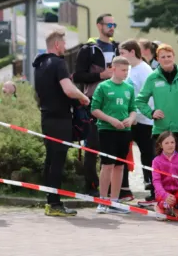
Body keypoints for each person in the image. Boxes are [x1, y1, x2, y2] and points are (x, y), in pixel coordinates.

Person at [34, 30, 90, 217]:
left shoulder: (39, 63)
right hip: (60, 119)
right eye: (64, 43)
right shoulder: (58, 63)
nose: (65, 47)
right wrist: (83, 98)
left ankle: (50, 202)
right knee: (58, 161)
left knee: (50, 160)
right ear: (57, 45)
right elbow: (68, 89)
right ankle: (55, 204)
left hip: (46, 117)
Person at [73, 13, 119, 197]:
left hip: (116, 102)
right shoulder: (89, 49)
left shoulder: (118, 48)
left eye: (114, 23)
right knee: (93, 144)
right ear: (99, 26)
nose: (112, 27)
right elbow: (77, 76)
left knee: (113, 146)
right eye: (109, 24)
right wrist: (101, 76)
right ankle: (91, 185)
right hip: (94, 101)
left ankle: (112, 188)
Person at [136, 44, 178, 157]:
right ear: (157, 59)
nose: (166, 59)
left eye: (169, 56)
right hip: (161, 130)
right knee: (162, 167)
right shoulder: (152, 78)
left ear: (174, 57)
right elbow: (140, 100)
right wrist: (151, 113)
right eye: (163, 57)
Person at [90, 56, 137, 214]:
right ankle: (103, 200)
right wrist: (111, 120)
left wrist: (130, 119)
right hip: (107, 130)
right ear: (114, 69)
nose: (125, 73)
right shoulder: (103, 87)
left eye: (127, 70)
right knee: (107, 165)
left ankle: (115, 201)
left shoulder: (129, 88)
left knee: (119, 166)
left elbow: (133, 109)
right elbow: (94, 109)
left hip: (124, 131)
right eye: (123, 70)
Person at [119, 39, 156, 202]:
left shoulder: (144, 70)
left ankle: (154, 189)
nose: (120, 56)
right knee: (123, 154)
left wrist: (137, 115)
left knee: (148, 156)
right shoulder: (130, 69)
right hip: (129, 120)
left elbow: (148, 97)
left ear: (132, 52)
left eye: (122, 53)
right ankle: (124, 189)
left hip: (144, 121)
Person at [151, 131, 178, 219]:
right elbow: (156, 181)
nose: (170, 145)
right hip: (163, 193)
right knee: (170, 201)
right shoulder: (156, 161)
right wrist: (165, 195)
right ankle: (160, 206)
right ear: (161, 145)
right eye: (166, 143)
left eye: (172, 142)